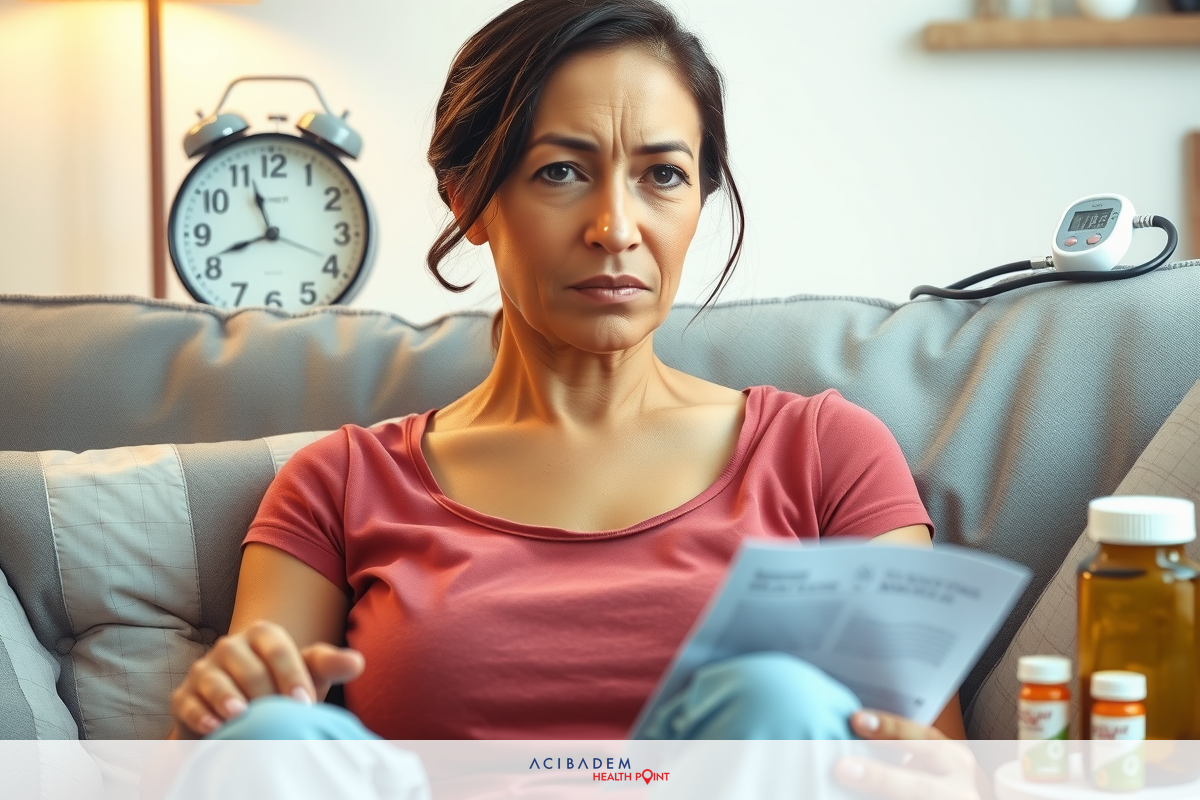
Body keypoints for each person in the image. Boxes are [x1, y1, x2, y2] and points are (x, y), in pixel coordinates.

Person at [167, 0, 965, 753]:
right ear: (469, 200)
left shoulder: (827, 455)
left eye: (662, 175)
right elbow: (239, 756)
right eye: (559, 172)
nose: (616, 229)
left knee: (777, 700)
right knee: (268, 732)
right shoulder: (340, 483)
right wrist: (220, 711)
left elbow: (932, 767)